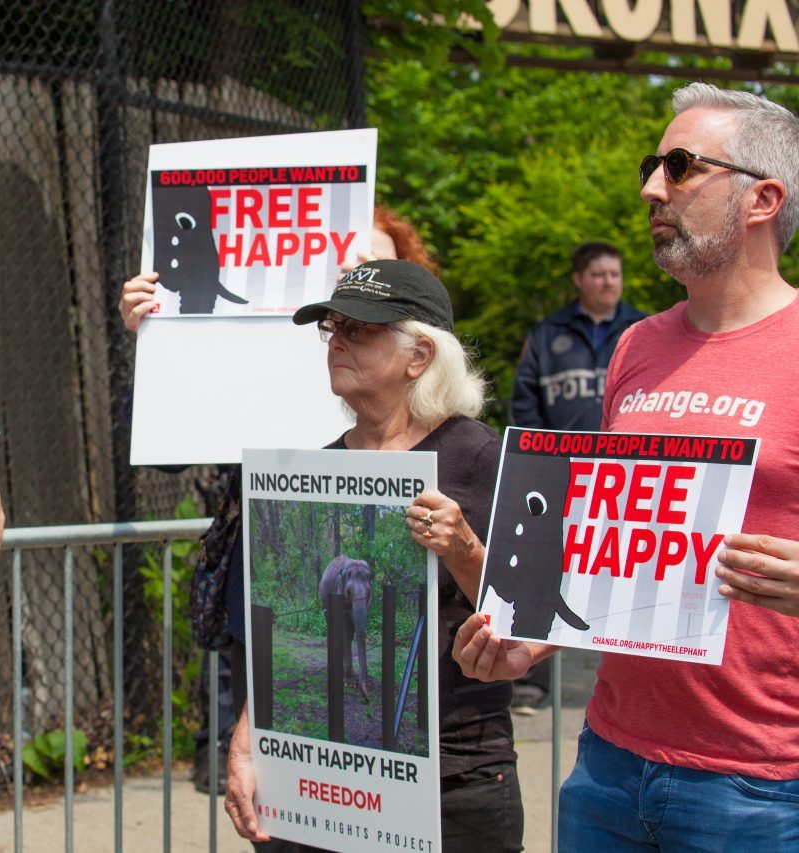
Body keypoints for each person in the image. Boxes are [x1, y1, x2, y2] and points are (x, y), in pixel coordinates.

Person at [454, 82, 799, 851]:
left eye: (680, 167)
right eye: (653, 166)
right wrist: (532, 638)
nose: (651, 189)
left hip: (762, 786)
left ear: (763, 199)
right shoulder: (636, 347)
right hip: (608, 765)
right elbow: (615, 549)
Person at [117, 206, 440, 799]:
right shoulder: (266, 362)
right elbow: (168, 451)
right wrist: (159, 342)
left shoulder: (437, 419)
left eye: (373, 266)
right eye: (344, 271)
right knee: (279, 802)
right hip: (256, 599)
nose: (354, 283)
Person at [223, 259, 523, 852]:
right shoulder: (320, 467)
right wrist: (248, 742)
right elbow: (275, 644)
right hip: (324, 783)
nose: (337, 342)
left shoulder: (480, 457)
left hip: (453, 778)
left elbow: (529, 620)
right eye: (332, 328)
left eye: (359, 330)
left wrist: (463, 547)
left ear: (420, 355)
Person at [507, 241, 645, 713]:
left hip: (628, 476)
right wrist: (543, 460)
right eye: (599, 274)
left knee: (632, 571)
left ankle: (637, 682)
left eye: (615, 274)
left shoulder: (643, 330)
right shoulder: (547, 335)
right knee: (544, 572)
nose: (609, 282)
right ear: (579, 279)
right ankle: (532, 682)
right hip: (560, 473)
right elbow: (525, 403)